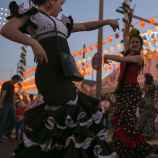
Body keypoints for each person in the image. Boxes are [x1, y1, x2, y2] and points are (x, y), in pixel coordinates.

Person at [1, 0, 119, 157]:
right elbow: (7, 29)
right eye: (60, 3)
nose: (62, 8)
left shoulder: (62, 23)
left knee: (66, 117)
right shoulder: (33, 14)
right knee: (68, 112)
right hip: (49, 74)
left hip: (64, 75)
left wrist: (106, 21)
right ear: (50, 2)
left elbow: (84, 26)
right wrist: (33, 42)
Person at [104, 28, 152, 158]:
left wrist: (107, 56)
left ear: (141, 45)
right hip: (123, 90)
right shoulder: (128, 54)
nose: (135, 44)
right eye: (133, 42)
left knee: (128, 120)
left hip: (132, 90)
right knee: (121, 120)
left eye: (137, 42)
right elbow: (124, 56)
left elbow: (122, 59)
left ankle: (135, 149)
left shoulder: (138, 58)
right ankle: (122, 150)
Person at [0, 74, 22, 142]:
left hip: (10, 105)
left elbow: (13, 96)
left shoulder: (12, 86)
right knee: (3, 120)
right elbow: (4, 94)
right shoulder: (6, 84)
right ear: (14, 79)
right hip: (5, 104)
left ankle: (6, 133)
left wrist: (14, 106)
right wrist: (0, 104)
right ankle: (1, 136)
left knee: (13, 119)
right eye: (17, 80)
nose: (17, 82)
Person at [137, 73, 156, 140]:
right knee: (150, 120)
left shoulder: (147, 85)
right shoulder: (153, 85)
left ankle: (138, 132)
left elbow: (144, 91)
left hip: (146, 103)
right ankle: (149, 134)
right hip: (151, 103)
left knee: (142, 119)